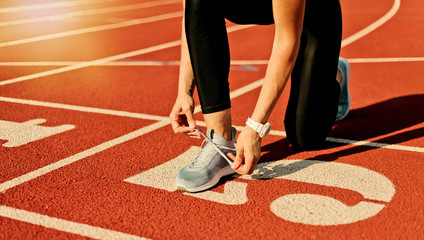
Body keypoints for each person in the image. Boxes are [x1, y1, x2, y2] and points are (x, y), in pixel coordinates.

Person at [169, 0, 351, 192]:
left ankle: (335, 73)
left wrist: (255, 127)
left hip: (315, 16)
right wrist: (184, 91)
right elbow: (193, 20)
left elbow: (287, 40)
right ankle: (220, 142)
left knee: (305, 137)